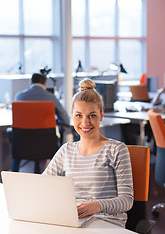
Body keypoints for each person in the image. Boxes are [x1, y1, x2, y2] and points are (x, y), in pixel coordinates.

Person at [43, 78, 134, 228]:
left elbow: (126, 200)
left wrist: (97, 205)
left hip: (106, 224)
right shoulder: (66, 150)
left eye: (92, 115)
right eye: (79, 115)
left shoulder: (117, 149)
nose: (85, 123)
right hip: (73, 222)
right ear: (72, 116)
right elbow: (43, 185)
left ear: (101, 115)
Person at [11, 73, 70, 172]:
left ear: (31, 82)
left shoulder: (19, 96)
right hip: (45, 143)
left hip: (22, 144)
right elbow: (66, 120)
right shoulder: (51, 97)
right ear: (44, 83)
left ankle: (14, 172)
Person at [122, 70, 165, 145]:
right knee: (128, 126)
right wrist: (159, 93)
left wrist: (147, 109)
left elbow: (163, 108)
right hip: (159, 122)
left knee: (126, 127)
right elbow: (154, 104)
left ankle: (131, 151)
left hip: (163, 124)